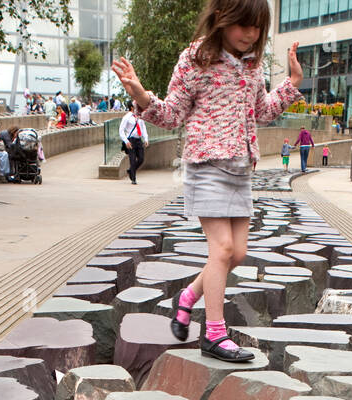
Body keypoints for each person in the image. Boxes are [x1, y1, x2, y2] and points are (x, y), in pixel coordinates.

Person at [112, 0, 303, 363]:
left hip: (241, 169)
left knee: (238, 253)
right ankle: (214, 334)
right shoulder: (195, 59)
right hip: (206, 166)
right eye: (242, 25)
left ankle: (187, 298)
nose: (250, 34)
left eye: (257, 27)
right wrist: (141, 96)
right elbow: (171, 115)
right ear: (220, 19)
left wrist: (291, 84)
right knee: (222, 251)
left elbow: (260, 111)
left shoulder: (253, 65)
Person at [119, 102, 148, 184]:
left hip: (138, 139)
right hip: (131, 140)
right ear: (131, 107)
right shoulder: (127, 117)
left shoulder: (139, 117)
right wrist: (126, 141)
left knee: (141, 159)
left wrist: (146, 139)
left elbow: (143, 128)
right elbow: (121, 130)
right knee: (132, 159)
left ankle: (131, 170)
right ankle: (133, 178)